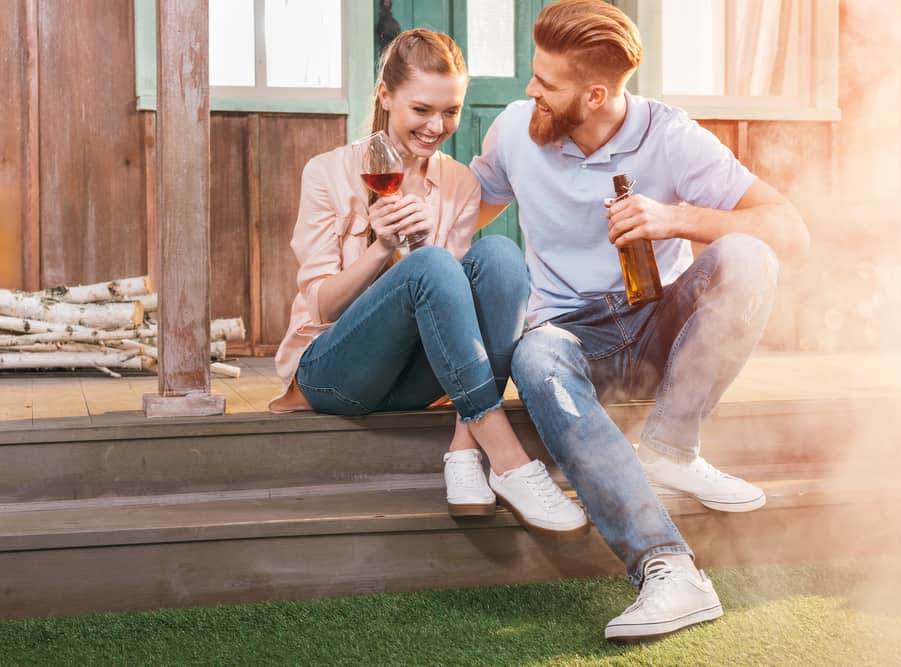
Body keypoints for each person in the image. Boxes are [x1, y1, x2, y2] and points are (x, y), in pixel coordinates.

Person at [470, 0, 809, 642]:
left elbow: (790, 229)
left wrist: (678, 219)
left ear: (595, 95)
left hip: (657, 327)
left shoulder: (672, 136)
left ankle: (671, 447)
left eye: (546, 83)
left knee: (748, 253)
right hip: (572, 339)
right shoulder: (516, 130)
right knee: (534, 356)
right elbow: (464, 213)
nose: (529, 91)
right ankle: (667, 567)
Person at [269, 29, 587, 536]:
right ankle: (507, 461)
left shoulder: (459, 182)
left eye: (451, 111)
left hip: (421, 380)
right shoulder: (327, 173)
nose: (437, 127)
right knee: (435, 264)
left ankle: (464, 453)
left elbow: (458, 318)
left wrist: (422, 251)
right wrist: (383, 249)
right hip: (335, 376)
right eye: (421, 110)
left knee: (502, 256)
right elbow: (323, 308)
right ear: (386, 96)